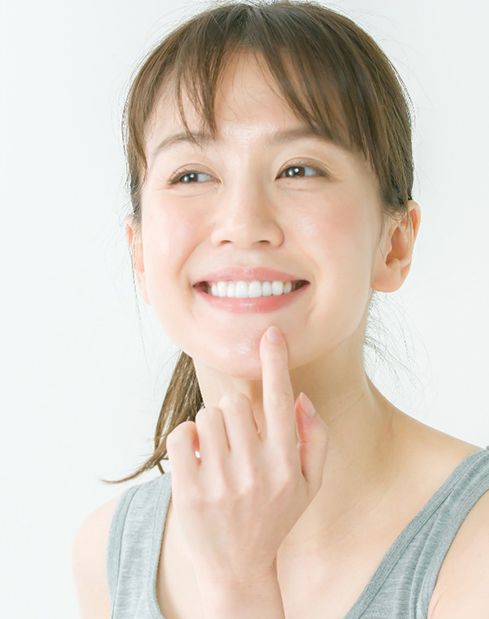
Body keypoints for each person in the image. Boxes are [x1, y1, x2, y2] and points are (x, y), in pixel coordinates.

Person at [72, 2, 489, 618]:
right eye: (191, 175)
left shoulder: (474, 543)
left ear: (394, 243)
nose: (243, 225)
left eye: (299, 169)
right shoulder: (112, 552)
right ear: (140, 252)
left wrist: (240, 585)